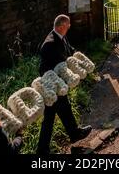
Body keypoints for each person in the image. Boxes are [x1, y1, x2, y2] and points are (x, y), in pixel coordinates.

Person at [37, 14, 92, 154]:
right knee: (53, 115)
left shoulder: (60, 36)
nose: (70, 27)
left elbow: (69, 50)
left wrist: (79, 60)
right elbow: (45, 66)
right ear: (61, 26)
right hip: (52, 84)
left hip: (58, 83)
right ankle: (73, 135)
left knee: (54, 114)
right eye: (68, 25)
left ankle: (72, 135)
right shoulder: (49, 44)